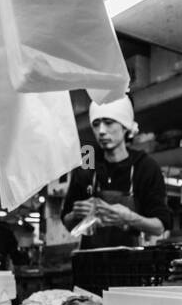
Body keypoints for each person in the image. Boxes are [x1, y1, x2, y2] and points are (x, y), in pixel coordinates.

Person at [60, 96, 170, 249]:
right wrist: (76, 214)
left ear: (125, 126)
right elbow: (68, 223)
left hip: (131, 264)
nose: (101, 131)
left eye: (109, 123)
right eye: (96, 124)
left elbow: (159, 227)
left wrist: (128, 217)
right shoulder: (88, 161)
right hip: (91, 262)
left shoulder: (144, 166)